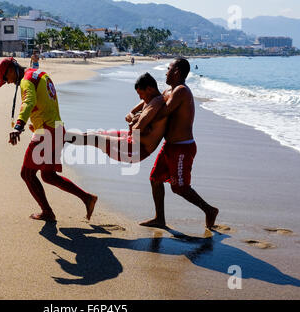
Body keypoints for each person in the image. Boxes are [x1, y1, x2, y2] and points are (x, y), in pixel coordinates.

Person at [0, 57, 98, 222]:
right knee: (48, 175)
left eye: (5, 78)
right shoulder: (40, 74)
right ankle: (87, 198)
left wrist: (19, 126)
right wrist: (36, 124)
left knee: (27, 174)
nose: (7, 82)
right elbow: (47, 103)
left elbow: (28, 102)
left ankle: (47, 212)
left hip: (47, 132)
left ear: (10, 70)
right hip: (57, 128)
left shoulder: (25, 81)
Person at [139, 58, 219, 229]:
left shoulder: (181, 91)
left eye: (168, 69)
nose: (166, 72)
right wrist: (136, 113)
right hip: (170, 146)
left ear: (176, 72)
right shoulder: (169, 90)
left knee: (180, 188)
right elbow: (152, 102)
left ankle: (209, 210)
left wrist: (142, 120)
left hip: (182, 148)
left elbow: (162, 112)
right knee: (155, 179)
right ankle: (159, 218)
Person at [66, 73, 167, 164]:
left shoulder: (156, 103)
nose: (140, 98)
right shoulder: (148, 99)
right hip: (132, 139)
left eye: (141, 94)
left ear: (149, 89)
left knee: (94, 138)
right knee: (95, 134)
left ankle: (62, 137)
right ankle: (63, 136)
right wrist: (135, 119)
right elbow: (129, 115)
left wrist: (135, 123)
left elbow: (136, 129)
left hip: (137, 150)